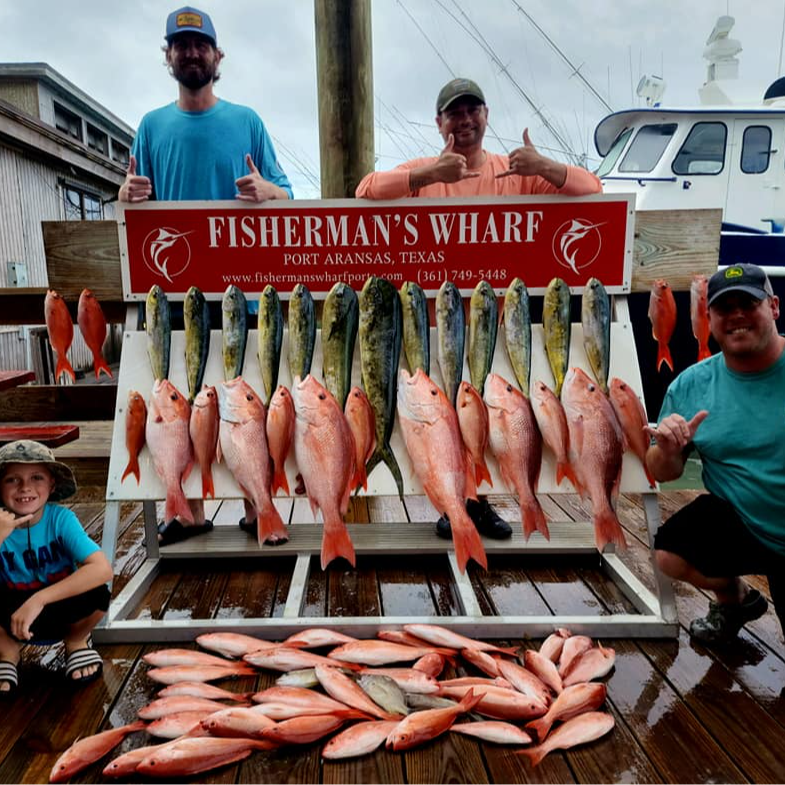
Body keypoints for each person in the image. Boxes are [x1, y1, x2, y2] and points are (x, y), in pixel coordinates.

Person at [356, 77, 602, 541]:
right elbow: (366, 189)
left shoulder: (517, 171)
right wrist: (429, 176)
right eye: (454, 112)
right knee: (446, 419)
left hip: (495, 323)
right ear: (439, 122)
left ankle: (476, 502)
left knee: (488, 415)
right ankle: (458, 503)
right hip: (432, 327)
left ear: (486, 116)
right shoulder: (424, 170)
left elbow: (593, 190)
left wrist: (545, 167)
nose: (464, 120)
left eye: (473, 110)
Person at [118, 6, 293, 546]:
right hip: (174, 293)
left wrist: (269, 192)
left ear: (218, 57)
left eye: (201, 45)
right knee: (182, 399)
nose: (191, 53)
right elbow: (134, 202)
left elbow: (288, 194)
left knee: (244, 400)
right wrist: (125, 198)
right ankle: (186, 511)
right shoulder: (150, 125)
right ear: (168, 56)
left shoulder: (248, 121)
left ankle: (252, 505)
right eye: (181, 45)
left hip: (243, 294)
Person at [645, 263, 785, 644]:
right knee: (669, 552)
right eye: (725, 308)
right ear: (709, 317)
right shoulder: (690, 385)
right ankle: (735, 600)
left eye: (749, 304)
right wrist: (670, 449)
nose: (737, 315)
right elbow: (661, 469)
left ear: (773, 307)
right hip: (744, 520)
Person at [0, 441, 112, 694]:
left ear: (51, 485)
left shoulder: (60, 519)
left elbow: (102, 569)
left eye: (36, 477)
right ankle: (6, 650)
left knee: (98, 592)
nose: (25, 487)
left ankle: (76, 641)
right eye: (12, 480)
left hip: (58, 604)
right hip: (8, 612)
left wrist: (39, 600)